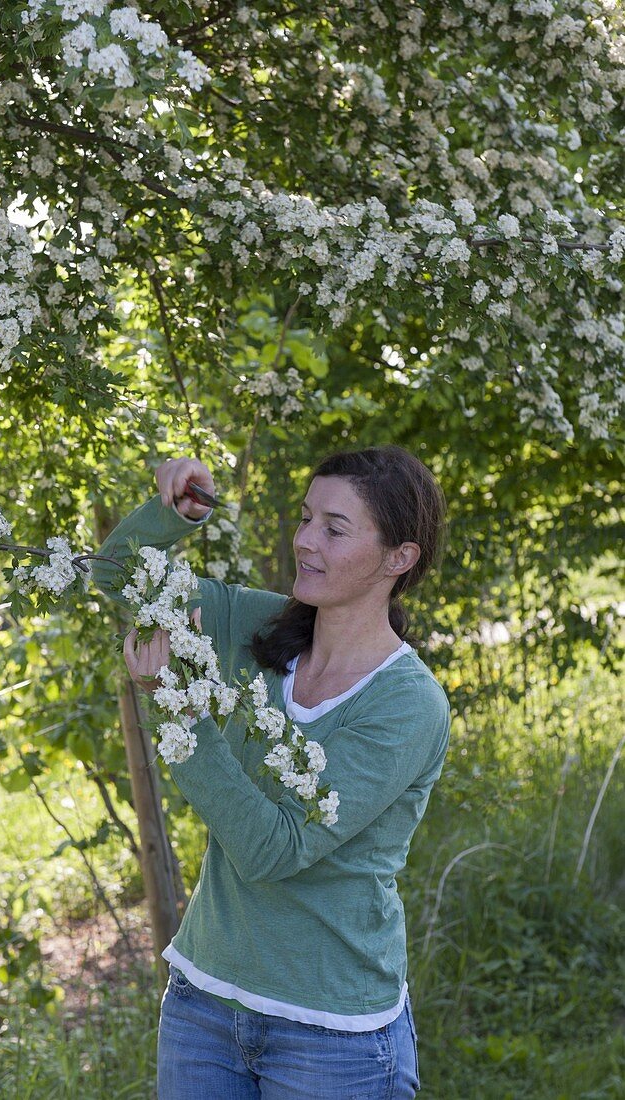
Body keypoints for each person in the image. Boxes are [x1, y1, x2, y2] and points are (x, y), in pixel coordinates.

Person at [91, 446, 451, 1099]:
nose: (305, 541)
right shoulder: (261, 625)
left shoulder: (408, 705)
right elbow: (116, 574)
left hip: (333, 1035)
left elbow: (274, 848)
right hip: (204, 1002)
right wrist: (171, 514)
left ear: (399, 558)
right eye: (307, 518)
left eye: (334, 529)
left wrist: (177, 707)